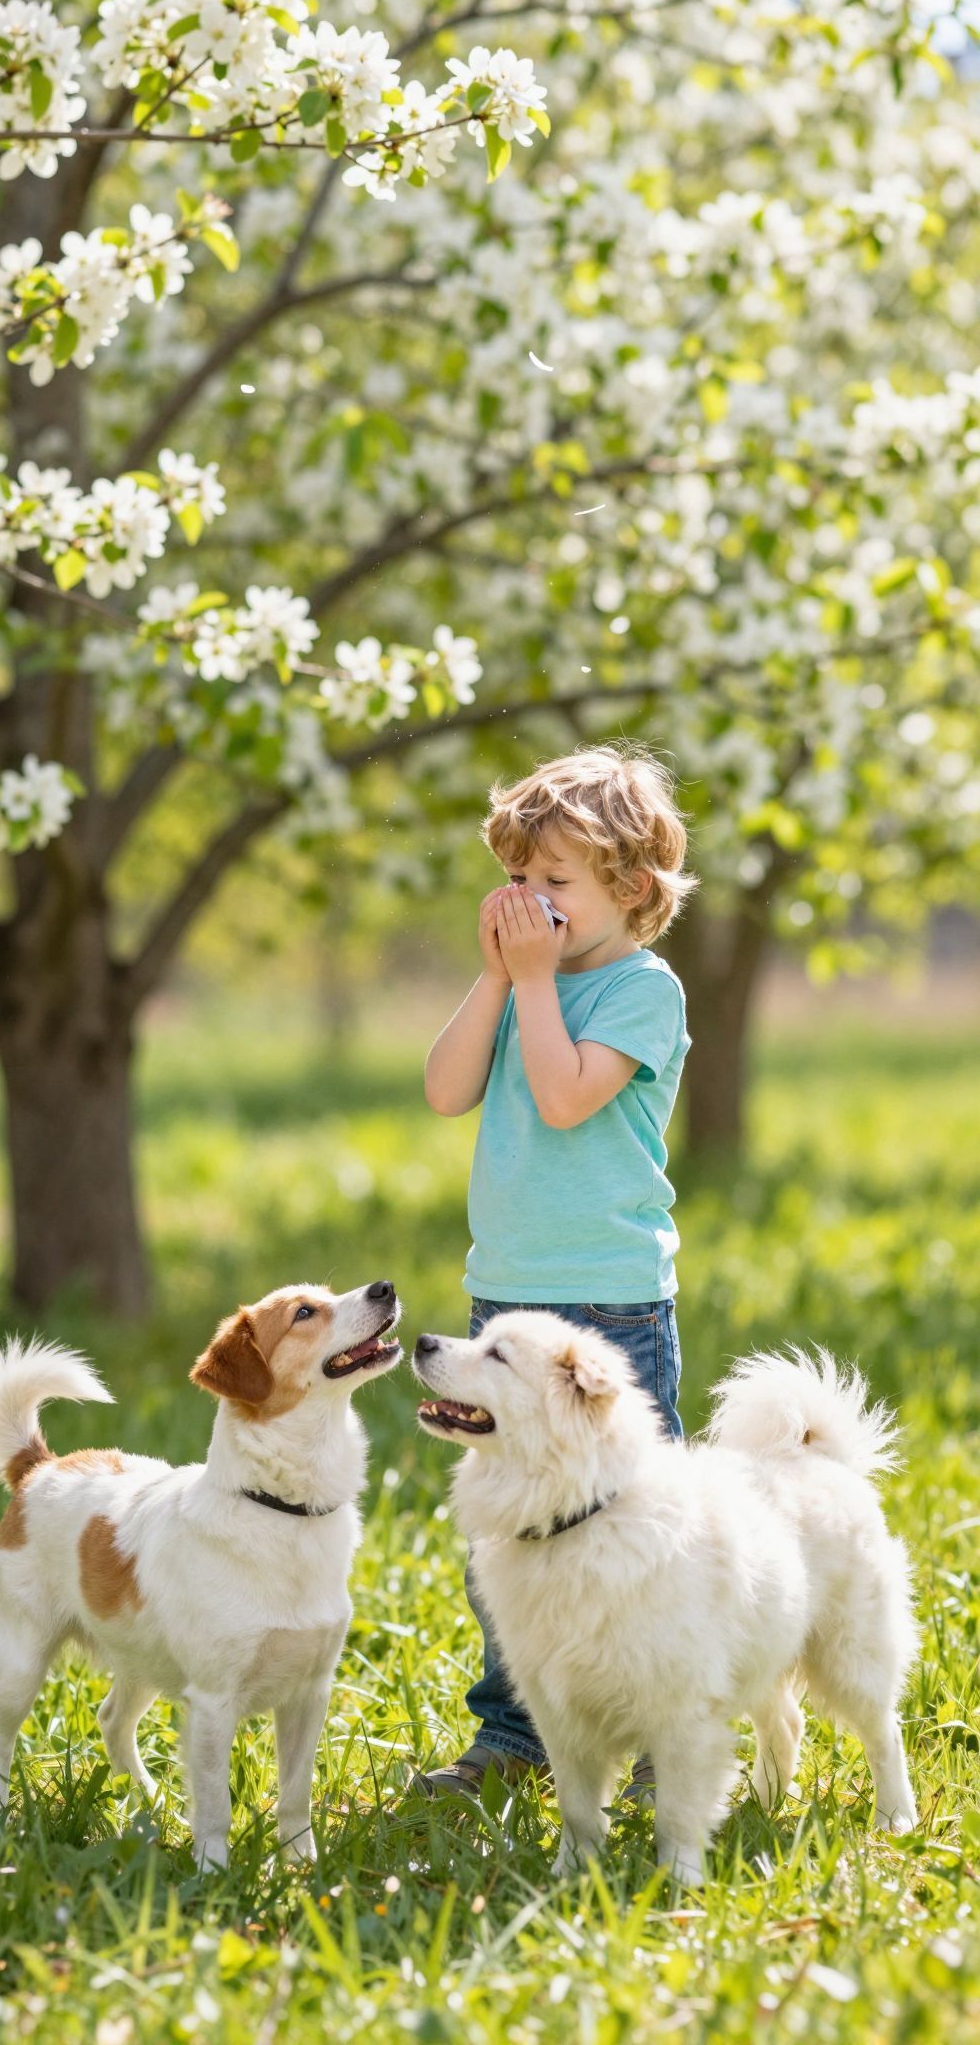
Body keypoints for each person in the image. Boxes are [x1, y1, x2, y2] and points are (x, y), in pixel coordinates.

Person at [416, 741, 696, 1801]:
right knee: (511, 1524)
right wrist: (499, 978)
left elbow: (569, 1092)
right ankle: (517, 1728)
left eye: (556, 883)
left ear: (629, 889)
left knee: (625, 1525)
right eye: (519, 880)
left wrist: (531, 982)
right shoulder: (520, 984)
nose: (530, 901)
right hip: (510, 1299)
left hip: (610, 1301)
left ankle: (661, 1725)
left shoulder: (642, 990)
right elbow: (447, 1089)